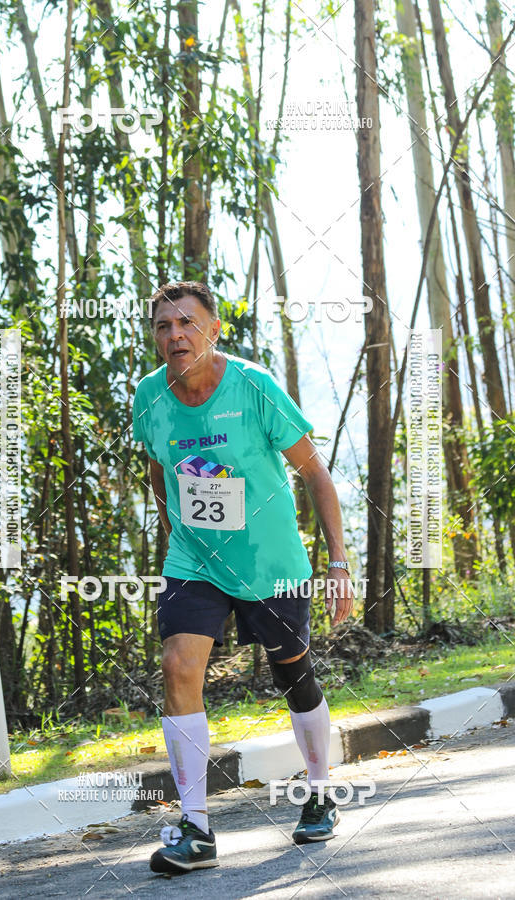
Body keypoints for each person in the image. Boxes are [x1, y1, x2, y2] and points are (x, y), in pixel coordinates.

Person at [132, 281, 354, 875]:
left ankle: (320, 791)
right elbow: (158, 470)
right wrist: (179, 525)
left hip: (269, 562)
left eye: (186, 323)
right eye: (163, 326)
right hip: (195, 561)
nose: (175, 335)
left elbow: (317, 474)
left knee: (294, 674)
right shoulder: (149, 397)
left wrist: (337, 562)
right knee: (178, 665)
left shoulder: (254, 387)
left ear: (214, 329)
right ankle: (198, 829)